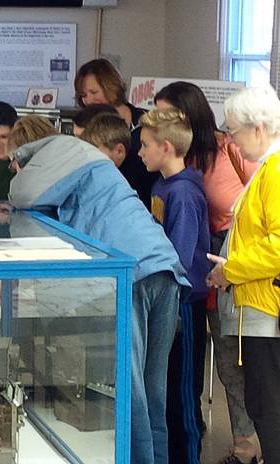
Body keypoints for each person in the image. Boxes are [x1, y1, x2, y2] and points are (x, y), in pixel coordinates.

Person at [7, 118, 189, 464]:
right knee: (153, 393)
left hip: (132, 272)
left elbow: (22, 195)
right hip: (163, 266)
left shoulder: (60, 151)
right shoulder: (84, 157)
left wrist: (18, 170)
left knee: (132, 392)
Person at [154, 81, 260, 464]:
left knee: (234, 354)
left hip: (233, 256)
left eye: (170, 112)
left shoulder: (229, 148)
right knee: (212, 356)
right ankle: (241, 442)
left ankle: (248, 444)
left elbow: (259, 196)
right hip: (205, 259)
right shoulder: (176, 161)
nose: (161, 119)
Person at [207, 86, 280, 464]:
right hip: (256, 308)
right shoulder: (267, 169)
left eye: (234, 132)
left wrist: (230, 270)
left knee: (269, 410)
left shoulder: (275, 171)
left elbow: (278, 246)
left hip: (266, 311)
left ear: (259, 128)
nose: (231, 141)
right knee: (263, 406)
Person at [139, 108, 211, 464]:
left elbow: (178, 255)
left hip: (183, 301)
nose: (140, 153)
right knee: (165, 390)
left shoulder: (183, 193)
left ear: (165, 147)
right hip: (166, 298)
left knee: (183, 394)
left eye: (145, 145)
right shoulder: (161, 186)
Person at [74, 58, 160, 208]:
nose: (88, 100)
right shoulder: (86, 125)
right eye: (83, 95)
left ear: (110, 87)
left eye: (94, 92)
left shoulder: (146, 122)